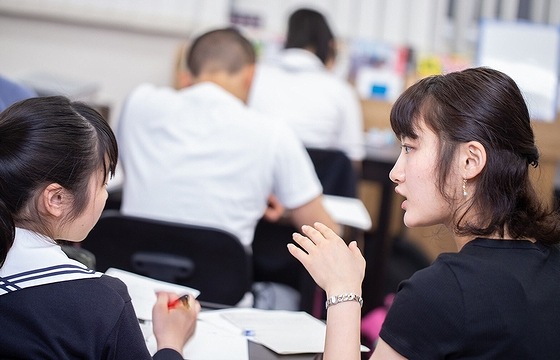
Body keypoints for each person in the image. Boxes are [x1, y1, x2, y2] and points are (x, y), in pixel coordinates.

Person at [288, 67, 560, 359]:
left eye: (409, 148)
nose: (395, 173)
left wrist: (343, 290)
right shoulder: (552, 264)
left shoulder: (440, 293)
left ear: (470, 161)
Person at [0, 96, 200, 359]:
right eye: (104, 182)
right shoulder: (101, 303)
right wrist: (171, 343)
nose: (105, 195)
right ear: (56, 199)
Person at [117, 28, 337, 249]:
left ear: (187, 74)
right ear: (251, 75)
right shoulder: (272, 132)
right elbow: (323, 231)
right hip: (215, 281)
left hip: (130, 275)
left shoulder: (138, 104)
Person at [248, 8, 365, 168]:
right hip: (320, 187)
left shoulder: (256, 76)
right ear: (328, 45)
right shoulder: (340, 90)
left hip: (258, 183)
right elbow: (353, 156)